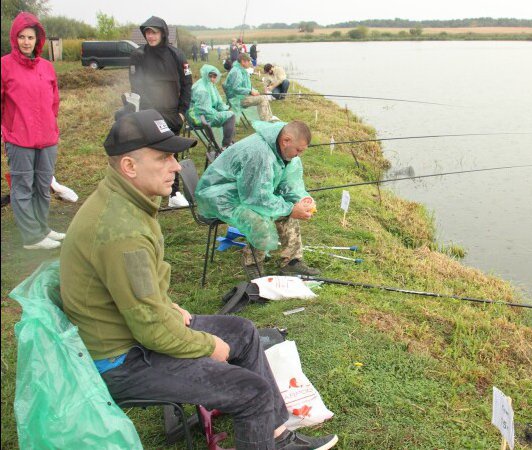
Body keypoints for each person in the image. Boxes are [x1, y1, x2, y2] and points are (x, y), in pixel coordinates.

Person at [59, 109, 338, 450]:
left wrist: (168, 307)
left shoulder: (128, 204)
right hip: (122, 361)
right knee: (254, 392)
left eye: (174, 157)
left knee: (245, 333)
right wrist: (208, 346)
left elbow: (135, 296)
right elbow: (152, 330)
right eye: (163, 158)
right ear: (129, 167)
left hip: (133, 332)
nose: (176, 167)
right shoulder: (123, 231)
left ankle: (276, 435)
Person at [195, 120, 321, 276]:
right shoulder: (259, 154)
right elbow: (255, 199)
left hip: (245, 191)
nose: (299, 155)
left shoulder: (284, 151)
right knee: (261, 215)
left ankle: (292, 260)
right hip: (220, 196)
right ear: (285, 140)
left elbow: (290, 182)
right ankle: (252, 262)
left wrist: (302, 199)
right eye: (298, 150)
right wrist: (290, 209)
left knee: (288, 208)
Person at [1, 12, 65, 250]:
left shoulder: (47, 67)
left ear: (37, 40)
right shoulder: (4, 66)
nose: (26, 42)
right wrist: (10, 128)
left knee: (42, 186)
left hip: (47, 138)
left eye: (30, 37)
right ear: (14, 38)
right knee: (23, 186)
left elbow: (54, 100)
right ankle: (31, 238)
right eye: (21, 37)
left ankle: (42, 228)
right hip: (19, 139)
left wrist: (50, 124)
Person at [129, 16, 192, 208]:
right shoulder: (138, 55)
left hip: (173, 114)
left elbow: (187, 84)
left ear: (162, 33)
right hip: (149, 114)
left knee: (170, 155)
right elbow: (135, 86)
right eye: (147, 32)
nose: (151, 36)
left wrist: (182, 112)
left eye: (154, 32)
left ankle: (174, 192)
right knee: (148, 154)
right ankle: (149, 192)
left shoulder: (176, 55)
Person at [188, 65, 236, 149]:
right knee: (230, 116)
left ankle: (229, 142)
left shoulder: (209, 84)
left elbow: (218, 101)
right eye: (210, 76)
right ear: (205, 74)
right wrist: (219, 113)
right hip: (199, 117)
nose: (212, 78)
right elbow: (203, 110)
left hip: (205, 113)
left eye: (214, 76)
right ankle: (226, 146)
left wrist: (225, 109)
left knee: (229, 115)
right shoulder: (202, 90)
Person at [224, 53, 277, 122]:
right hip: (237, 100)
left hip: (241, 96)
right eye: (248, 61)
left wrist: (253, 90)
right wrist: (250, 91)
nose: (250, 63)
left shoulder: (240, 69)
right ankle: (266, 121)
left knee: (263, 96)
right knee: (262, 99)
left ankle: (269, 117)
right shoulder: (237, 72)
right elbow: (236, 88)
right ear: (243, 62)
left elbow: (245, 85)